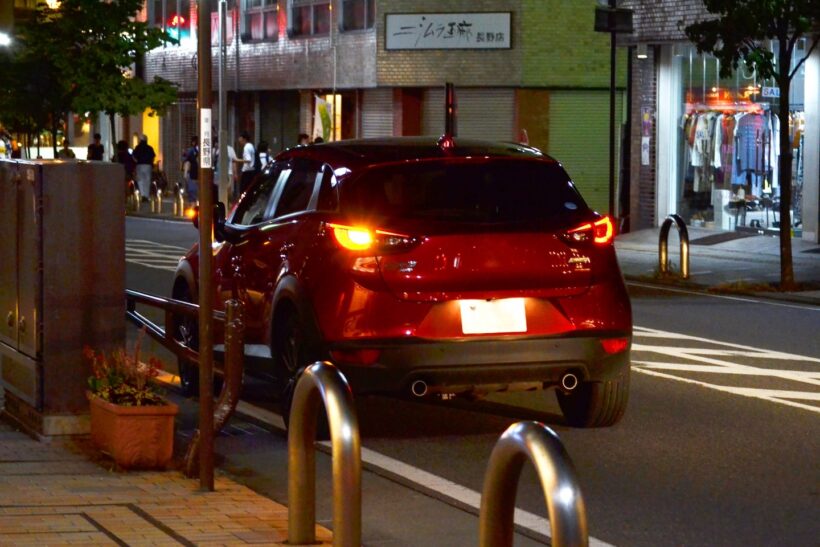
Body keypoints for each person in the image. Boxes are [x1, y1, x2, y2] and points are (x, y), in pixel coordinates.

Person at [214, 135, 238, 204]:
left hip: (228, 172)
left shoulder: (230, 149)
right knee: (220, 190)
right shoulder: (216, 150)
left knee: (228, 190)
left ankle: (229, 204)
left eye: (217, 142)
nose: (216, 144)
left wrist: (235, 173)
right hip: (218, 173)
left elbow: (234, 162)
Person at [133, 135, 156, 201]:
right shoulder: (149, 148)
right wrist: (151, 163)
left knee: (140, 180)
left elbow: (134, 156)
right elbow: (153, 157)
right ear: (146, 140)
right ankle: (146, 195)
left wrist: (137, 161)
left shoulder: (137, 147)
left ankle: (143, 195)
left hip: (139, 165)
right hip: (148, 165)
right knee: (147, 180)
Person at [233, 130, 256, 195]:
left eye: (240, 137)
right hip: (251, 171)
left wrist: (237, 160)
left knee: (243, 191)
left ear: (244, 138)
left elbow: (248, 160)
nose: (239, 139)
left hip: (247, 172)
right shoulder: (251, 146)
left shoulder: (246, 147)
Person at [182, 135, 199, 204]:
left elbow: (186, 160)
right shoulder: (192, 150)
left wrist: (185, 172)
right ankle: (193, 203)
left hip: (193, 173)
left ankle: (193, 203)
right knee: (192, 189)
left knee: (192, 189)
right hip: (193, 172)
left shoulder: (191, 150)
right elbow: (187, 161)